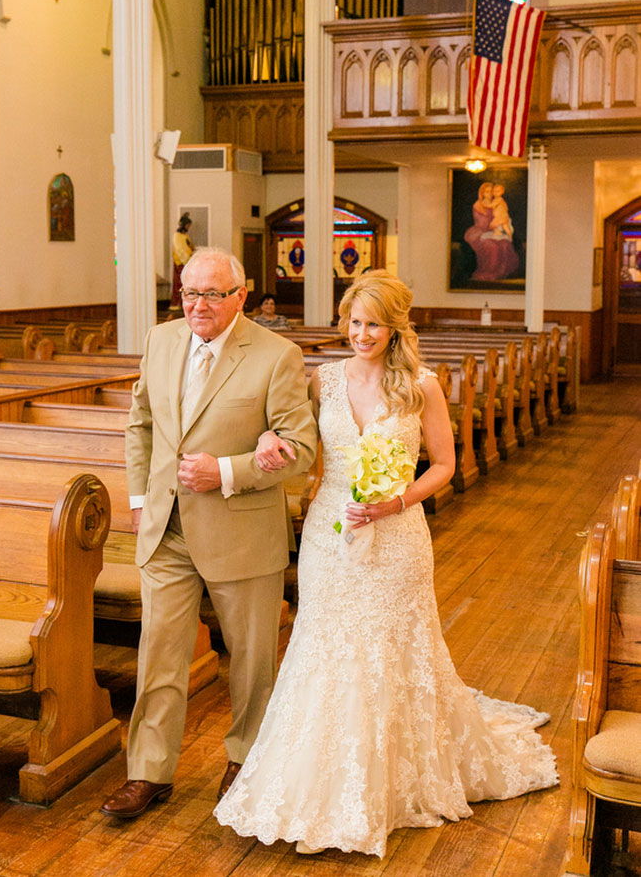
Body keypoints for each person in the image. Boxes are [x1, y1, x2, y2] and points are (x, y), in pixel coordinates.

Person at [215, 270, 557, 857]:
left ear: (395, 326)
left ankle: (392, 780)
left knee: (392, 647)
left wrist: (396, 501)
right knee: (324, 644)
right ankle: (318, 780)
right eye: (354, 321)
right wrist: (272, 438)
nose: (361, 333)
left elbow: (445, 464)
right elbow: (293, 437)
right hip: (329, 533)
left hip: (398, 537)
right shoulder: (321, 381)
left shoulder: (420, 384)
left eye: (373, 323)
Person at [101, 248, 317, 819]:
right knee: (159, 657)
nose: (197, 305)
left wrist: (225, 471)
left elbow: (301, 450)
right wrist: (143, 500)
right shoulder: (162, 340)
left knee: (249, 663)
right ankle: (149, 772)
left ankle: (246, 760)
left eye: (212, 295)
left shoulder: (277, 356)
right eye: (188, 293)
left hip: (241, 532)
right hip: (166, 530)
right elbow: (141, 424)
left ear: (240, 296)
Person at [464, 182, 519, 281]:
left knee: (505, 243)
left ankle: (501, 271)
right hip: (479, 231)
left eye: (491, 191)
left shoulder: (497, 203)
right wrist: (492, 226)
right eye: (487, 192)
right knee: (491, 246)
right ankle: (488, 271)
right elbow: (481, 223)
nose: (490, 194)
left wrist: (500, 224)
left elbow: (502, 215)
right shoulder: (478, 205)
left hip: (494, 230)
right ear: (482, 193)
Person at [169, 212, 195, 310]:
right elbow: (180, 250)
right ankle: (176, 304)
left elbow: (189, 246)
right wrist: (188, 261)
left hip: (188, 262)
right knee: (179, 284)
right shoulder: (177, 235)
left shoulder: (185, 235)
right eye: (188, 225)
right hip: (181, 263)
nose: (188, 227)